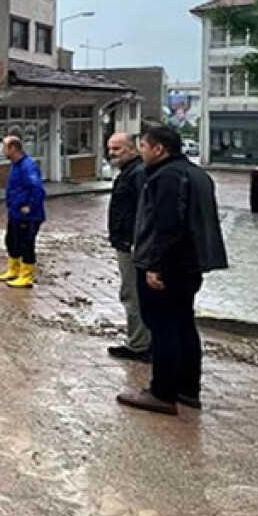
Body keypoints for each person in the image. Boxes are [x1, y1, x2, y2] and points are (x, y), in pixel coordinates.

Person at [118, 125, 228, 416]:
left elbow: (166, 225)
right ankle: (187, 389)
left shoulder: (166, 177)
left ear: (159, 149)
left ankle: (162, 392)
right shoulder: (197, 174)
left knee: (163, 325)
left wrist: (156, 266)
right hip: (191, 265)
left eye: (143, 146)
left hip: (168, 266)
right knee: (183, 324)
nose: (140, 152)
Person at [106, 132, 151, 362]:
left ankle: (140, 345)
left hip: (133, 245)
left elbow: (144, 210)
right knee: (132, 292)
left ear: (133, 150)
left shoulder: (138, 173)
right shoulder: (129, 173)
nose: (112, 153)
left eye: (118, 149)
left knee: (132, 293)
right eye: (111, 149)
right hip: (126, 242)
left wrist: (136, 241)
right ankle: (140, 341)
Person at [0, 135, 46, 289]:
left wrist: (30, 206)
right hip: (15, 213)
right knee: (11, 240)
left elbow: (37, 189)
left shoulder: (27, 166)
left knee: (26, 244)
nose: (2, 151)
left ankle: (26, 276)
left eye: (4, 147)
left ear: (13, 148)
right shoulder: (16, 165)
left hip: (28, 216)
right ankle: (14, 269)